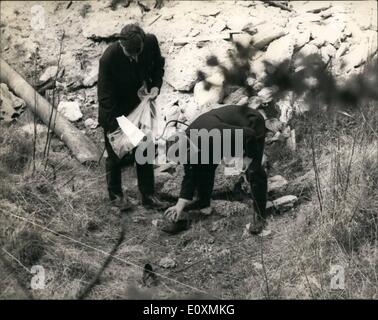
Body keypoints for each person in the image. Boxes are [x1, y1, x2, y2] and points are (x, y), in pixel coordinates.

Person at [163, 104, 268, 234]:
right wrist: (180, 204)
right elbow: (190, 174)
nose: (184, 162)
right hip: (226, 130)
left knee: (253, 171)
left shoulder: (212, 132)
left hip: (250, 124)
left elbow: (249, 134)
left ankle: (260, 216)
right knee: (202, 165)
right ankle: (203, 202)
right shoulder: (187, 144)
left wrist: (248, 157)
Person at [98, 23, 168, 211]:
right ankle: (116, 196)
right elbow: (105, 98)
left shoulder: (151, 42)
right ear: (122, 46)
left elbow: (158, 66)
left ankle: (148, 195)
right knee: (115, 153)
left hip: (139, 104)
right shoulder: (109, 59)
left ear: (144, 43)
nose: (136, 57)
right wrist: (117, 129)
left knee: (145, 146)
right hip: (116, 109)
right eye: (131, 55)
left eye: (139, 52)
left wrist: (155, 86)